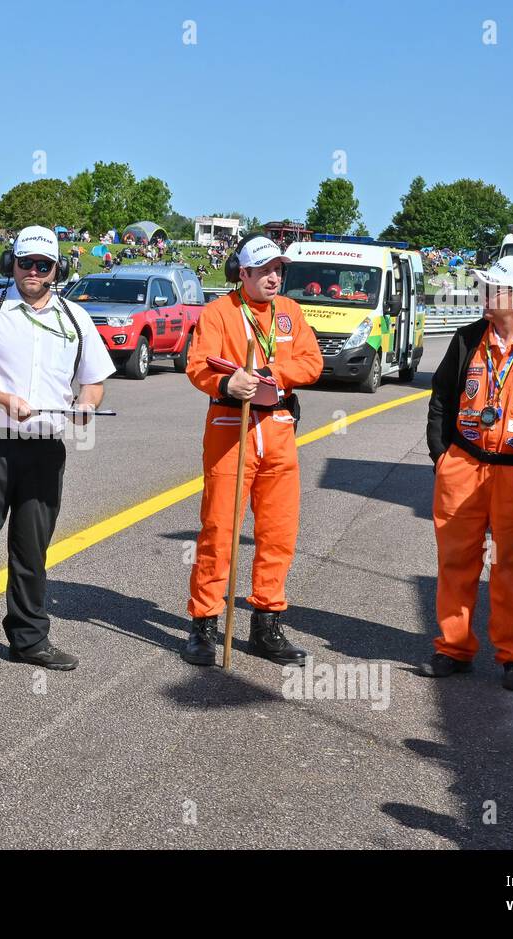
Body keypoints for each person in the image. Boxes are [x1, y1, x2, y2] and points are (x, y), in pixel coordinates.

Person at [0, 226, 115, 681]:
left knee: (32, 549)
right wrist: (0, 399)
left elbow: (93, 381)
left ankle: (29, 639)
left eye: (44, 265)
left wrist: (86, 406)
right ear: (9, 263)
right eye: (25, 263)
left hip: (44, 447)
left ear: (59, 268)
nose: (33, 272)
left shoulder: (75, 317)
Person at [423, 256, 513, 690]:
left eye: (496, 289)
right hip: (464, 465)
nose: (485, 295)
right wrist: (442, 457)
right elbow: (441, 401)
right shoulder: (467, 339)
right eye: (484, 288)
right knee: (456, 562)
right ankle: (453, 648)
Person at [181, 236, 323, 667]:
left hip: (278, 427)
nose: (273, 276)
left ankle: (266, 623)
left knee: (278, 533)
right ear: (242, 274)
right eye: (263, 270)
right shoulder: (219, 312)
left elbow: (312, 363)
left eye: (278, 269)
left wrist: (270, 374)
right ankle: (204, 624)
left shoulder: (291, 312)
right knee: (219, 531)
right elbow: (197, 365)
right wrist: (227, 383)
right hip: (230, 428)